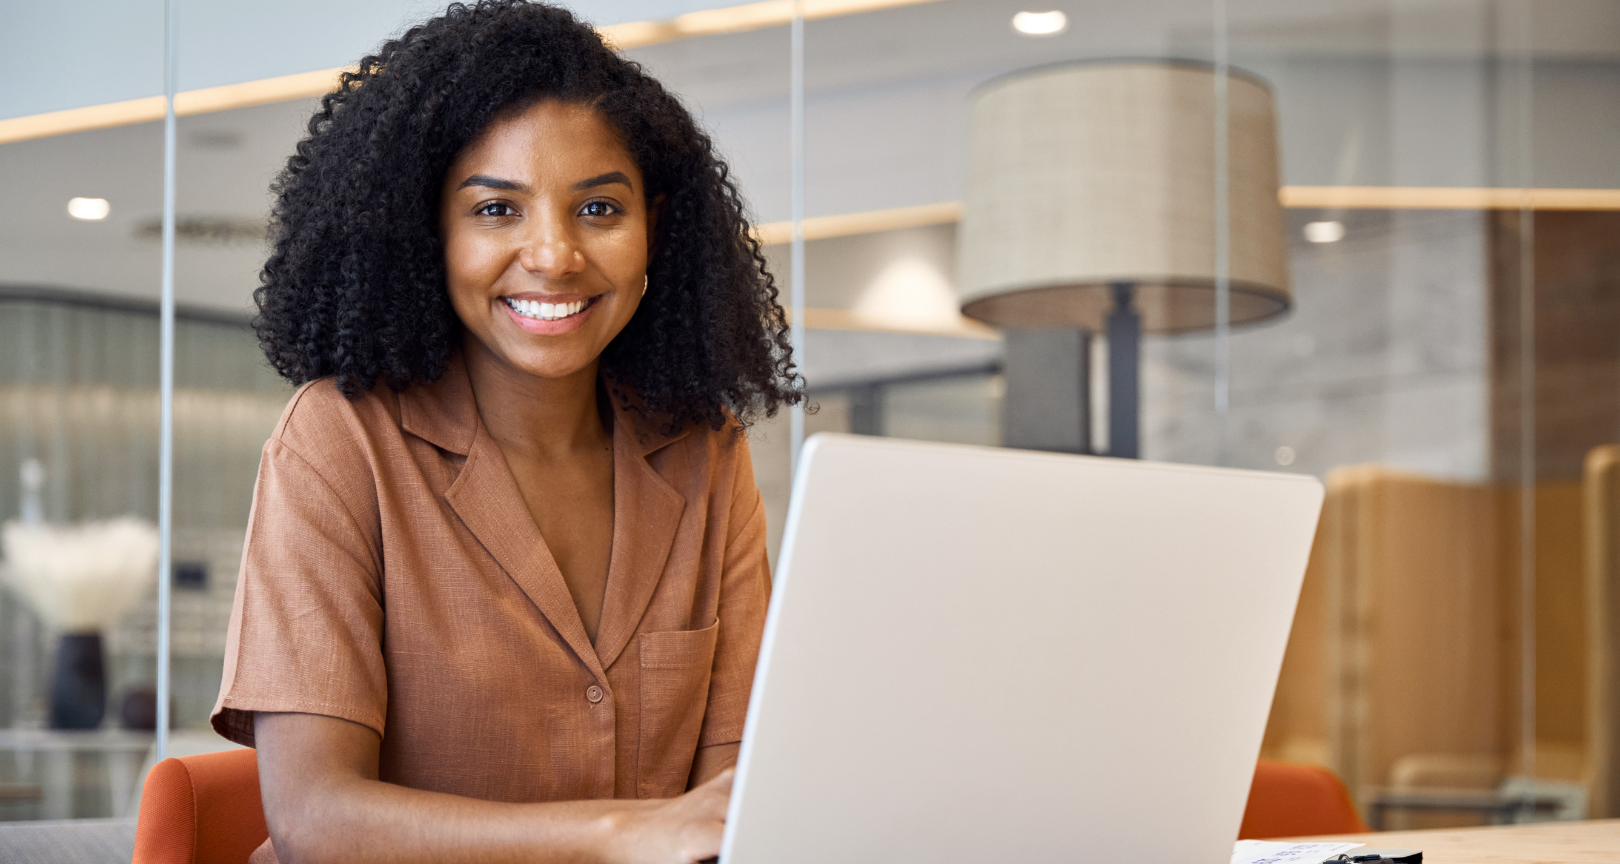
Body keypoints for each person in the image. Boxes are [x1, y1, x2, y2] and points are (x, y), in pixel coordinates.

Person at [210, 2, 801, 862]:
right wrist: (616, 832)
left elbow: (730, 808)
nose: (556, 254)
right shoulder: (342, 442)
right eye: (496, 211)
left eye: (599, 209)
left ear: (655, 231)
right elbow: (314, 821)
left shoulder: (704, 449)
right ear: (429, 231)